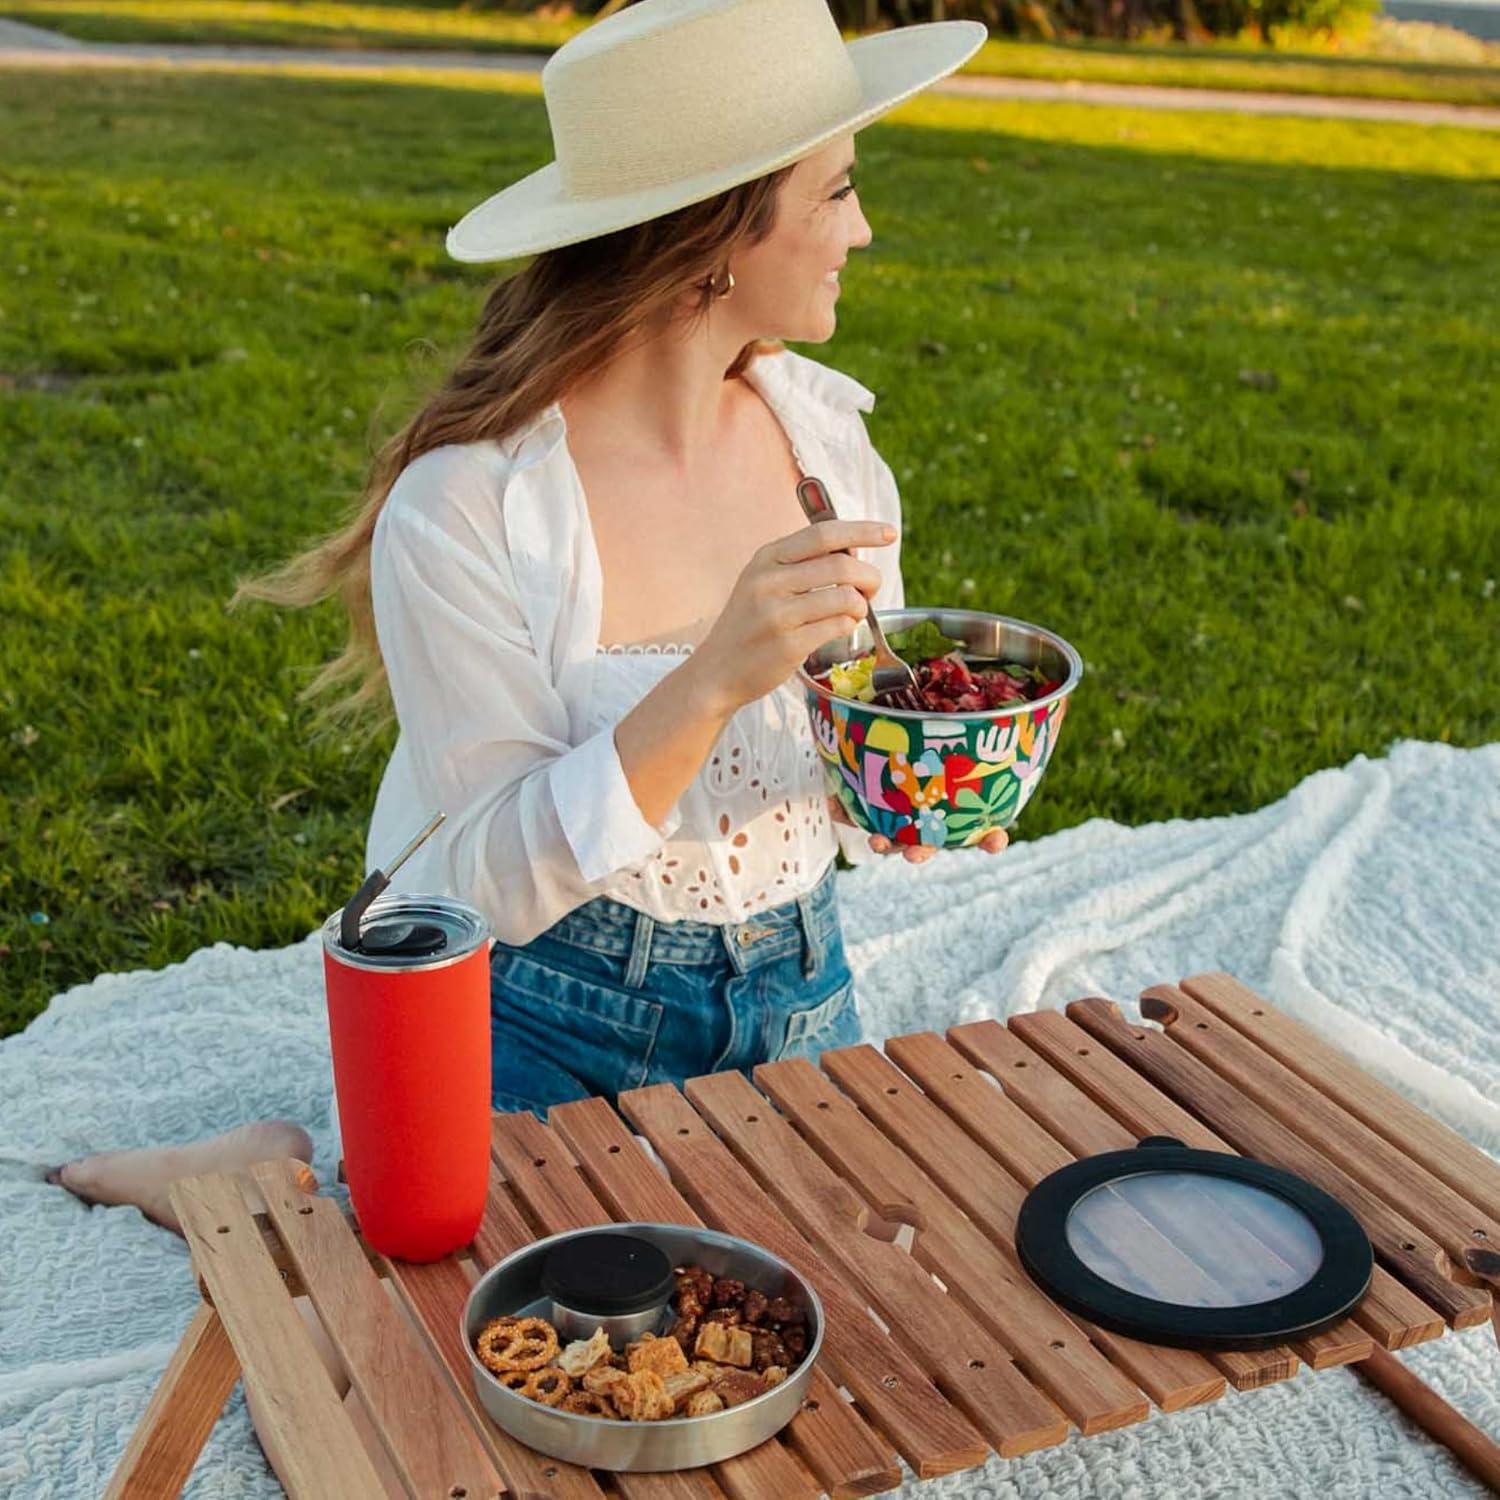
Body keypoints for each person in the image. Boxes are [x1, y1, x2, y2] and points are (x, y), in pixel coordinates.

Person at [50, 0, 993, 1299]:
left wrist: (924, 789)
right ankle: (256, 1173)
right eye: (837, 191)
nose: (863, 228)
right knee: (496, 1325)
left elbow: (851, 738)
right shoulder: (474, 503)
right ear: (717, 235)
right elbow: (490, 877)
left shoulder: (828, 447)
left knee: (843, 1306)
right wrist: (710, 680)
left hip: (802, 986)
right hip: (550, 1006)